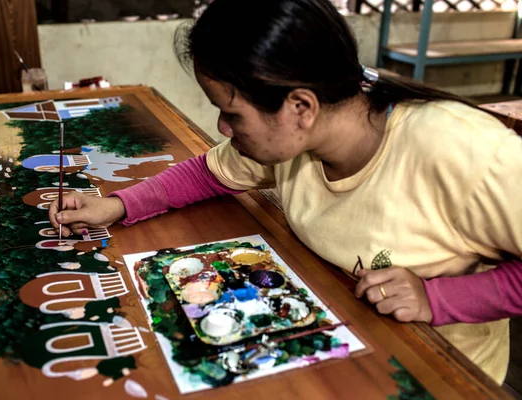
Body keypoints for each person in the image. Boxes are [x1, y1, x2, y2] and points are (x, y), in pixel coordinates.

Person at [49, 0, 522, 384]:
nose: (222, 127)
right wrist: (116, 204)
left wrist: (436, 299)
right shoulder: (296, 139)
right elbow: (209, 173)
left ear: (300, 107)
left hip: (436, 368)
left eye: (232, 115)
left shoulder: (462, 152)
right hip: (345, 324)